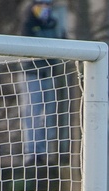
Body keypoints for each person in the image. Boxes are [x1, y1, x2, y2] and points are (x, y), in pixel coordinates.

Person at [20, 0, 64, 165]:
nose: (45, 8)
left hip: (50, 74)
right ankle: (32, 153)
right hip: (32, 74)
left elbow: (62, 41)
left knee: (49, 114)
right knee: (31, 113)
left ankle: (45, 152)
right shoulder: (28, 23)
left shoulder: (54, 23)